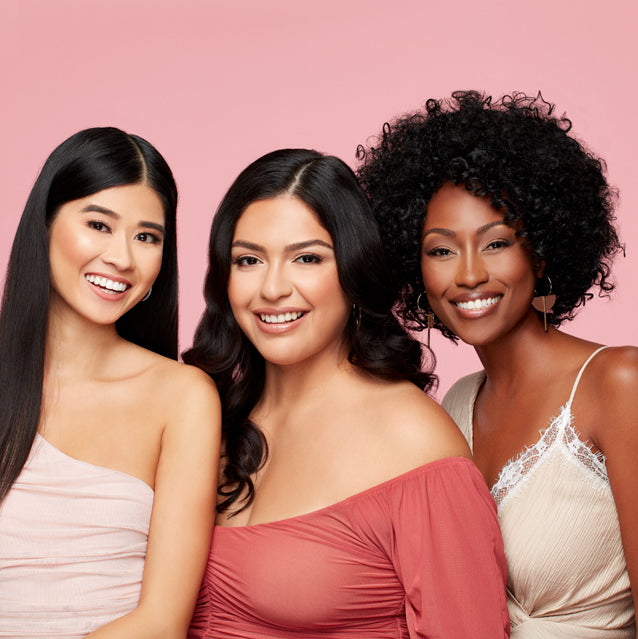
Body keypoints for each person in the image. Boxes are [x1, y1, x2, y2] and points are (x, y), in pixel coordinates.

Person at [183, 148, 510, 638]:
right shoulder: (209, 419)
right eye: (249, 259)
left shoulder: (413, 441)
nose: (272, 288)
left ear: (354, 273)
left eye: (307, 258)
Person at [357, 90, 638, 637]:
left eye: (496, 243)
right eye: (441, 250)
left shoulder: (618, 384)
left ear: (543, 250)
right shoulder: (458, 402)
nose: (467, 275)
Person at [0, 127, 221, 638]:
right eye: (99, 224)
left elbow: (162, 622)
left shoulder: (182, 397)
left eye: (147, 237)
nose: (122, 258)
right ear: (45, 225)